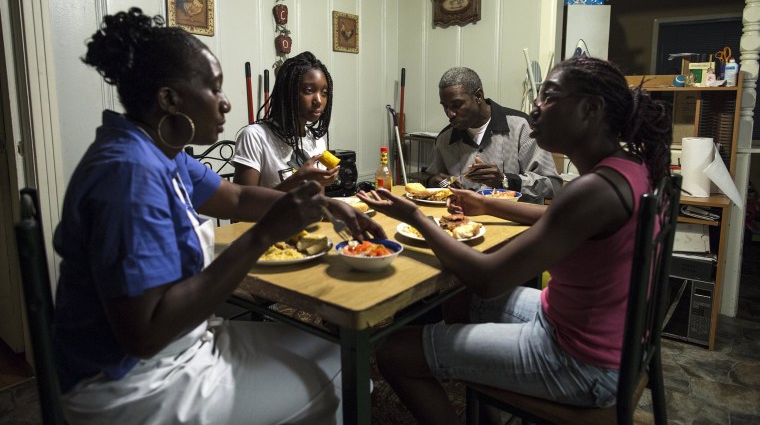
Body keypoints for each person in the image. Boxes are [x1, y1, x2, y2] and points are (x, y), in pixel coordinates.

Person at [52, 8, 384, 425]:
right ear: (169, 99)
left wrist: (323, 202)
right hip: (133, 383)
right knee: (348, 380)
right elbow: (144, 334)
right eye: (213, 88)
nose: (226, 102)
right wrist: (262, 236)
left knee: (340, 354)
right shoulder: (129, 174)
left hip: (184, 343)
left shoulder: (162, 153)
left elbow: (240, 197)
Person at [358, 56, 672, 425]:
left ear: (590, 109)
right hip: (603, 334)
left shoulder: (592, 190)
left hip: (585, 363)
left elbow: (488, 280)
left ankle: (469, 373)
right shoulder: (629, 170)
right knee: (459, 298)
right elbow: (557, 218)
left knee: (395, 351)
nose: (535, 106)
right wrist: (485, 202)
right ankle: (485, 402)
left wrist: (413, 217)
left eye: (549, 96)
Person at [424, 66, 562, 203]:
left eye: (456, 105)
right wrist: (433, 182)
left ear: (478, 96)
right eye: (445, 106)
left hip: (514, 221)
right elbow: (433, 179)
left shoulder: (522, 126)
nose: (450, 114)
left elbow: (553, 185)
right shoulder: (444, 139)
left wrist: (505, 181)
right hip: (463, 221)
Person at [232, 51, 340, 191]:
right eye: (309, 90)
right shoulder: (254, 137)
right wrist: (296, 180)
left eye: (324, 93)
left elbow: (317, 201)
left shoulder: (317, 141)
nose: (319, 101)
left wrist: (324, 182)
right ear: (287, 92)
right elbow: (243, 206)